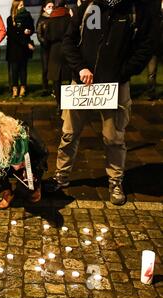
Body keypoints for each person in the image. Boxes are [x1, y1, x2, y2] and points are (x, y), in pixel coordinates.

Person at [45, 0, 155, 205]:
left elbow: (145, 46)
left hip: (115, 84)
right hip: (81, 83)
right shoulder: (87, 7)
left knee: (113, 137)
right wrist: (80, 68)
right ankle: (61, 175)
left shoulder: (136, 9)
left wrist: (122, 73)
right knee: (69, 133)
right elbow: (68, 41)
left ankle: (115, 180)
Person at [45, 0, 72, 113]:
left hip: (55, 50)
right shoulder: (68, 17)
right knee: (70, 77)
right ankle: (70, 103)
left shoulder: (51, 18)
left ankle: (59, 105)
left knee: (57, 79)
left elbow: (47, 37)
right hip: (67, 48)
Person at [6, 0, 35, 98]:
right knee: (14, 70)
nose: (23, 7)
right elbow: (13, 34)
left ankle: (23, 88)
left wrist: (29, 31)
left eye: (23, 5)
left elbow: (31, 28)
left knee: (23, 69)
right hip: (14, 48)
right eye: (20, 5)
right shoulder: (10, 19)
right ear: (15, 7)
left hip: (23, 50)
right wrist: (26, 43)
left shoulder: (27, 17)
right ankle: (15, 88)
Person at [36, 0, 54, 96]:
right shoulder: (41, 19)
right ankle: (45, 88)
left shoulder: (55, 18)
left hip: (54, 47)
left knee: (54, 68)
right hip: (45, 48)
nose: (51, 9)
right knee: (45, 68)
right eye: (49, 7)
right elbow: (39, 34)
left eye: (52, 6)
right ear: (44, 8)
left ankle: (55, 87)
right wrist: (45, 42)